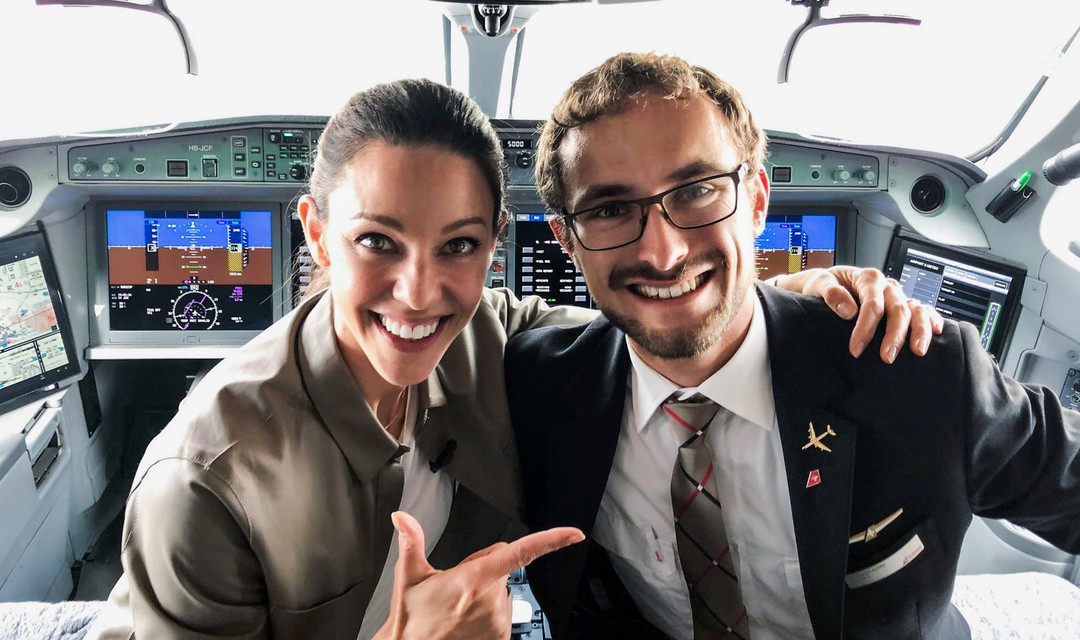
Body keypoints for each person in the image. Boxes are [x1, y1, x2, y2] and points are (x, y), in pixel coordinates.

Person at [86, 77, 936, 640]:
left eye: (456, 245)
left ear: (495, 248)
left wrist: (787, 294)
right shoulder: (203, 480)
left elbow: (648, 317)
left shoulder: (497, 335)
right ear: (314, 232)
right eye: (378, 241)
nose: (420, 295)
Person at [505, 52, 1080, 640]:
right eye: (610, 209)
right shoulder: (536, 389)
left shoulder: (915, 368)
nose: (663, 252)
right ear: (567, 242)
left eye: (697, 190)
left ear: (756, 200)